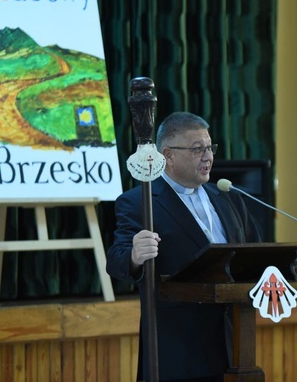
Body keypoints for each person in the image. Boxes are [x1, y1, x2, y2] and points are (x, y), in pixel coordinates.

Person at [107, 111, 262, 381]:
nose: (208, 156)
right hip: (178, 351)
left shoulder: (228, 197)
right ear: (168, 155)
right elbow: (117, 261)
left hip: (235, 344)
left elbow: (257, 253)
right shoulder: (140, 201)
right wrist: (134, 255)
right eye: (197, 149)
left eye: (209, 147)